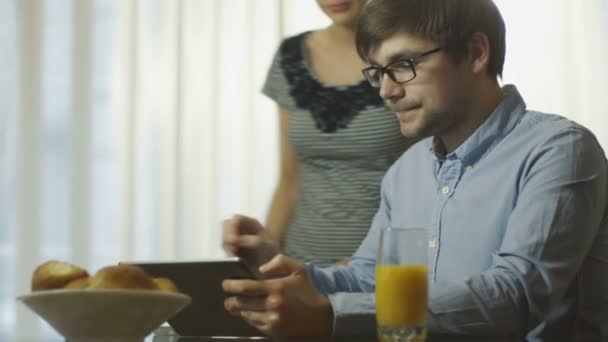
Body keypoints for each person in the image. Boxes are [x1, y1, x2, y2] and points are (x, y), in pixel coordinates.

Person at [222, 0, 608, 340]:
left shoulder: (559, 150)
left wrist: (329, 315)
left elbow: (515, 296)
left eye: (403, 65)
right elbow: (369, 279)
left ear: (475, 52)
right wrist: (280, 271)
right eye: (376, 73)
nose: (386, 91)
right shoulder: (406, 171)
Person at [262, 0, 413, 267]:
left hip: (386, 269)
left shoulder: (410, 54)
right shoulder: (290, 55)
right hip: (301, 269)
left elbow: (433, 181)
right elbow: (289, 181)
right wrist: (263, 264)